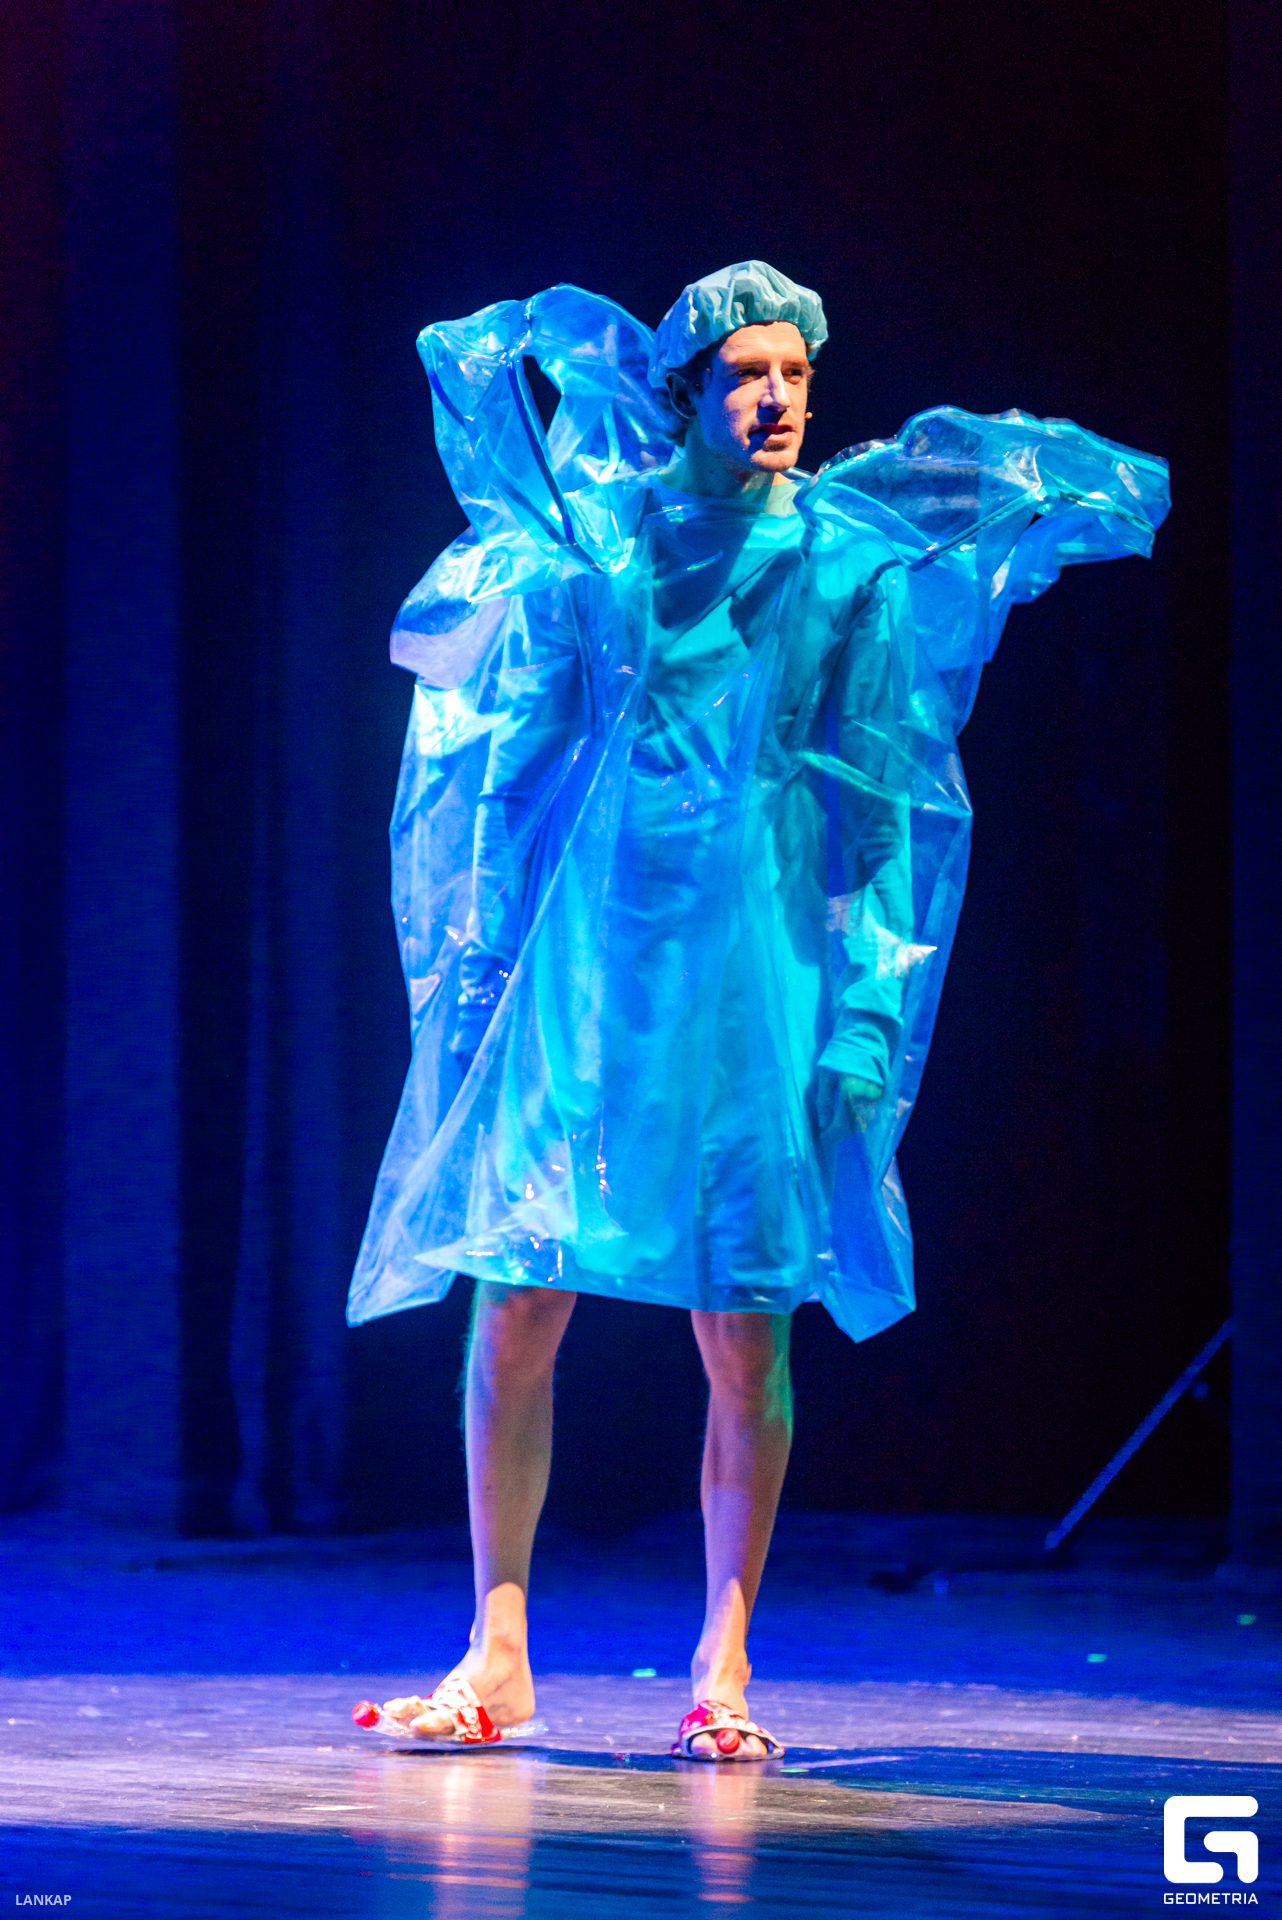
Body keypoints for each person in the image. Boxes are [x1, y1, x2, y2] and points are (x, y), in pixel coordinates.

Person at [347, 263, 1169, 1760]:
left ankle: (722, 1670)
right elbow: (515, 744)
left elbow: (883, 804)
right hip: (589, 972)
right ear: (689, 390)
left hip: (754, 978)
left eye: (794, 371)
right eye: (746, 372)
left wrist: (867, 1017)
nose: (778, 397)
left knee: (746, 1328)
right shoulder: (609, 543)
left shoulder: (845, 560)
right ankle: (496, 1650)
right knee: (516, 1294)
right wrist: (482, 968)